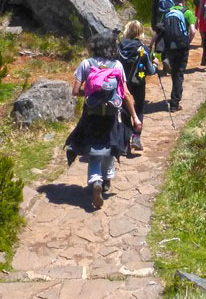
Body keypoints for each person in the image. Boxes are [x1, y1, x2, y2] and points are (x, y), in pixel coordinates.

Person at [66, 32, 140, 210]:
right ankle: (106, 180)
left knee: (94, 149)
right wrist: (136, 118)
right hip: (112, 114)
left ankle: (95, 181)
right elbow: (126, 94)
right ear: (112, 48)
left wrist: (90, 94)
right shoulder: (117, 65)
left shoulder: (86, 64)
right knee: (110, 146)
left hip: (91, 114)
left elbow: (75, 91)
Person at [118, 20, 155, 153]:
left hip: (122, 82)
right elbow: (150, 70)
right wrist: (155, 64)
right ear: (140, 33)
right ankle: (136, 137)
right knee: (138, 108)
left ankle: (124, 143)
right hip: (138, 81)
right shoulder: (143, 49)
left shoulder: (119, 47)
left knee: (124, 110)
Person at [161, 0, 196, 112]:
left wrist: (151, 45)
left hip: (169, 46)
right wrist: (188, 42)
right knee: (179, 73)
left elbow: (160, 30)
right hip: (182, 46)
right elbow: (193, 31)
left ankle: (176, 94)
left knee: (175, 71)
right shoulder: (188, 13)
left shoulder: (167, 12)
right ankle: (175, 103)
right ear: (183, 1)